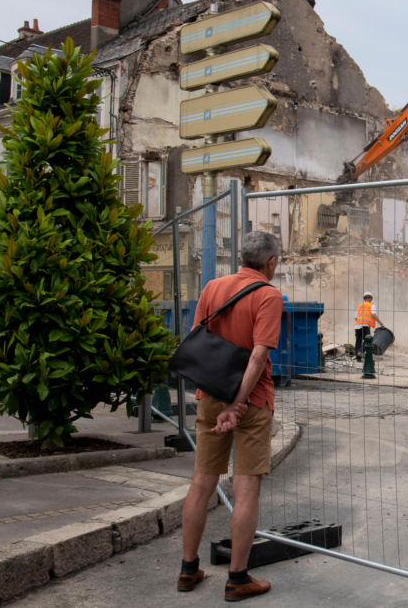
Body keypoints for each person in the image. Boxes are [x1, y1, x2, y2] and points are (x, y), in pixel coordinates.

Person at [178, 231, 283, 602]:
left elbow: (198, 341)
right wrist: (237, 404)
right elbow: (258, 356)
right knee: (246, 487)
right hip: (250, 404)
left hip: (208, 396)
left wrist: (222, 401)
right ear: (270, 263)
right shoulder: (268, 295)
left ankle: (188, 570)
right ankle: (238, 577)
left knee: (202, 481)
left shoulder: (212, 287)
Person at [354, 291, 384, 361]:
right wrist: (381, 323)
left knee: (358, 341)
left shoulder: (360, 306)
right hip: (365, 326)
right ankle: (361, 351)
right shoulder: (371, 305)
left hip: (357, 326)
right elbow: (373, 314)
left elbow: (356, 317)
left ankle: (358, 357)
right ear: (371, 298)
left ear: (364, 298)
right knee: (368, 340)